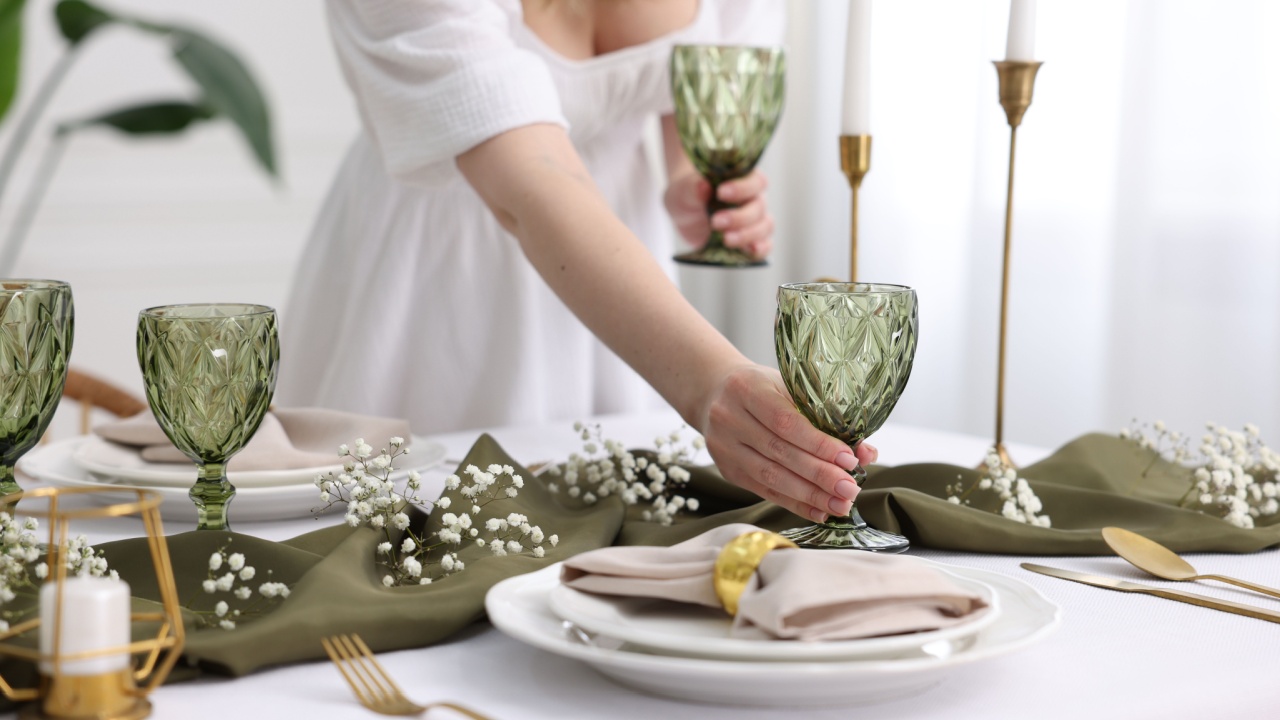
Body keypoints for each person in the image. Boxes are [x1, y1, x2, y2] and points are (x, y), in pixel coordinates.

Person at [278, 0, 876, 524]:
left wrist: (692, 179)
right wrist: (707, 381)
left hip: (629, 283)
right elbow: (533, 182)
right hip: (441, 274)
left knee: (613, 526)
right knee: (425, 524)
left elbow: (698, 70)